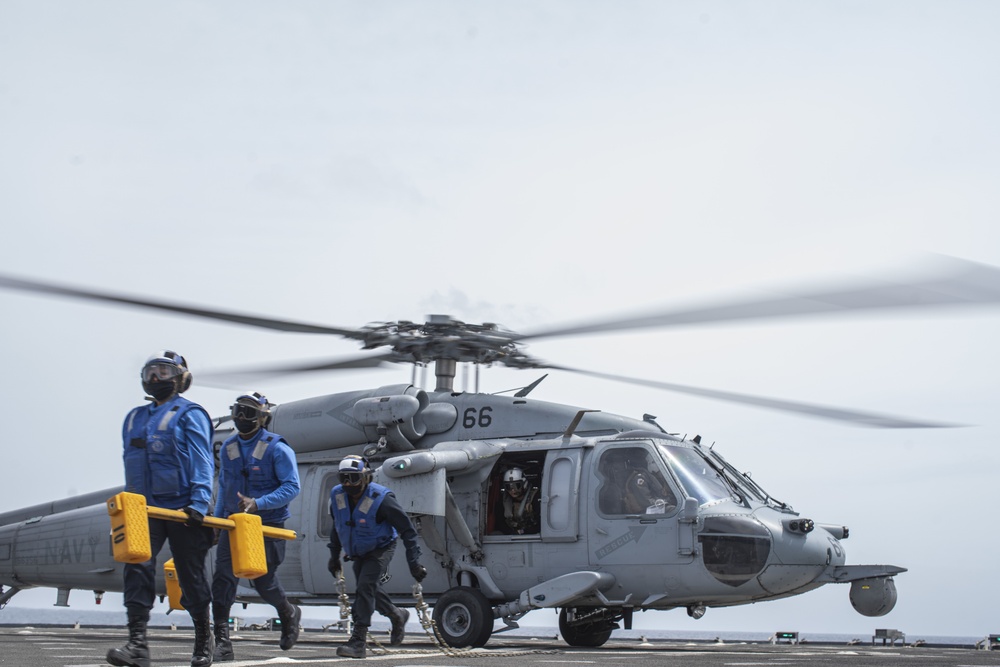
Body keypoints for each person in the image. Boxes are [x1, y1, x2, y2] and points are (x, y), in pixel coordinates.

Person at [108, 351, 215, 667]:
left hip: (183, 510)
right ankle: (138, 646)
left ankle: (202, 642)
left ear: (180, 378)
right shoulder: (134, 418)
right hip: (144, 510)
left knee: (190, 575)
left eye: (164, 372)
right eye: (151, 372)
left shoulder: (190, 414)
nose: (156, 378)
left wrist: (199, 503)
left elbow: (202, 462)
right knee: (136, 568)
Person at [210, 392, 301, 662]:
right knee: (223, 579)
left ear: (262, 418)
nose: (241, 418)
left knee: (263, 582)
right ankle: (223, 641)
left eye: (248, 413)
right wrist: (217, 521)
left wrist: (259, 503)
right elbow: (224, 486)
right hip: (234, 525)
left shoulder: (278, 448)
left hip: (267, 525)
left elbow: (292, 487)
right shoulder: (228, 448)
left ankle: (287, 612)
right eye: (237, 411)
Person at [327, 455, 427, 659]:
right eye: (343, 478)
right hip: (358, 551)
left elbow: (408, 531)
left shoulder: (382, 499)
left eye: (353, 478)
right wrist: (334, 555)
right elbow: (338, 525)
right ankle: (396, 615)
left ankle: (358, 642)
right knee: (369, 588)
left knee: (365, 586)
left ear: (365, 478)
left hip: (381, 547)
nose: (348, 484)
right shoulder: (337, 496)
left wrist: (414, 563)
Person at [500, 467, 539, 534]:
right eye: (508, 486)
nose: (512, 490)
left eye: (516, 485)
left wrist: (524, 531)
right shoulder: (504, 501)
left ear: (524, 484)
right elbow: (500, 523)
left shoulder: (535, 498)